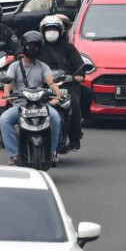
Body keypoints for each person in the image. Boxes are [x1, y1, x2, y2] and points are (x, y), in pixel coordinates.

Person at [1, 31, 62, 165]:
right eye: (30, 46)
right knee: (4, 119)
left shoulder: (43, 66)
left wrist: (57, 92)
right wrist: (6, 92)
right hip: (20, 105)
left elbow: (51, 82)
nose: (33, 49)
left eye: (37, 46)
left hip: (41, 105)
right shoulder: (15, 66)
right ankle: (14, 154)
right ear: (24, 46)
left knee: (56, 118)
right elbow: (9, 81)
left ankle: (52, 152)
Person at [39, 15, 86, 152]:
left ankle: (75, 138)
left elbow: (79, 66)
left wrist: (78, 75)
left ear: (60, 31)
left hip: (66, 85)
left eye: (54, 29)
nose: (51, 32)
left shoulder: (69, 49)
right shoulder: (38, 48)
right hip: (43, 85)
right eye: (48, 29)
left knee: (75, 103)